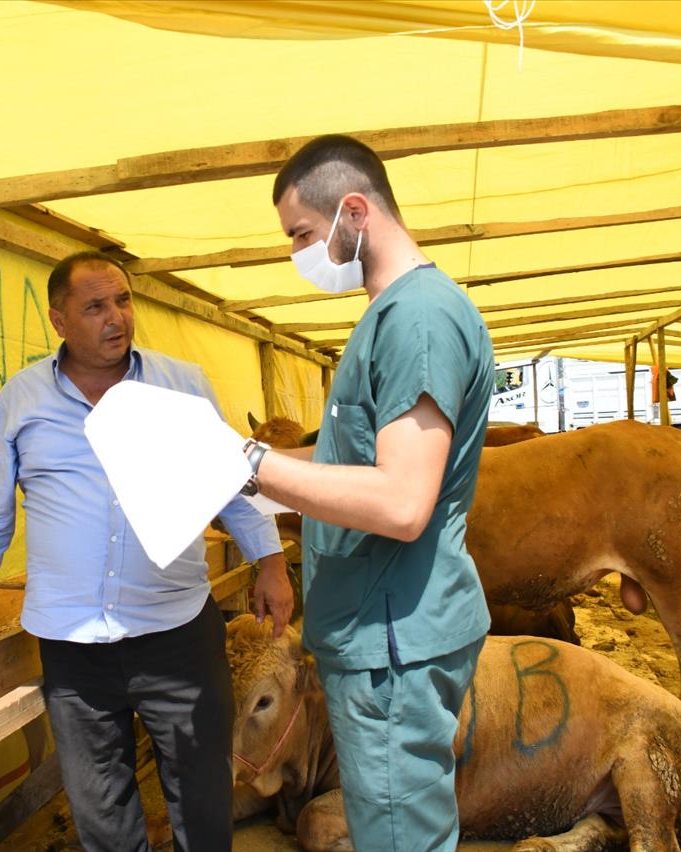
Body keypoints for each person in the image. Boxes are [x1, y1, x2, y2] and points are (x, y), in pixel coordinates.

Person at [0, 251, 294, 851]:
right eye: (95, 306)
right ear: (58, 320)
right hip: (74, 645)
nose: (116, 317)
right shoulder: (22, 400)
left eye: (122, 301)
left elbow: (231, 481)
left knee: (202, 803)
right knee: (101, 810)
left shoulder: (181, 384)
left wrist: (272, 563)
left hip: (176, 634)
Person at [237, 135, 495, 850]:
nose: (297, 254)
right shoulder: (390, 315)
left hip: (394, 645)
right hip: (381, 635)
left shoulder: (416, 319)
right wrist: (234, 477)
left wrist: (249, 461)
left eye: (303, 235)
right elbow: (346, 456)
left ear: (355, 210)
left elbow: (402, 503)